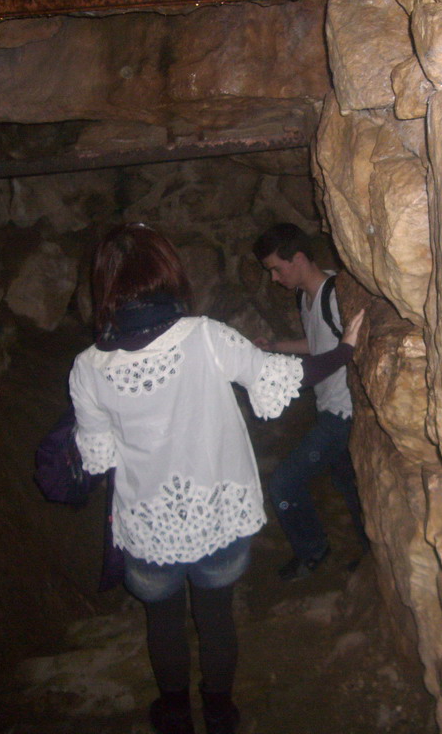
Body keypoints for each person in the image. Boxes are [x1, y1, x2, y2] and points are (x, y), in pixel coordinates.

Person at [69, 222, 363, 734]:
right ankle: (221, 712)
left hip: (148, 525)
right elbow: (279, 374)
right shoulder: (204, 337)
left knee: (161, 623)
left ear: (105, 287)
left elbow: (99, 456)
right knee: (215, 616)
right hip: (217, 519)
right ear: (167, 273)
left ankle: (176, 714)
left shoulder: (87, 369)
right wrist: (344, 353)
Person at [252, 223, 369, 581]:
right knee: (351, 485)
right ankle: (370, 550)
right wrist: (275, 347)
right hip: (329, 407)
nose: (274, 278)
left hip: (342, 413)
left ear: (299, 258)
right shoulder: (306, 297)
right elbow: (319, 346)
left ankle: (312, 551)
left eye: (277, 267)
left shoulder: (336, 294)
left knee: (284, 483)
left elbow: (350, 349)